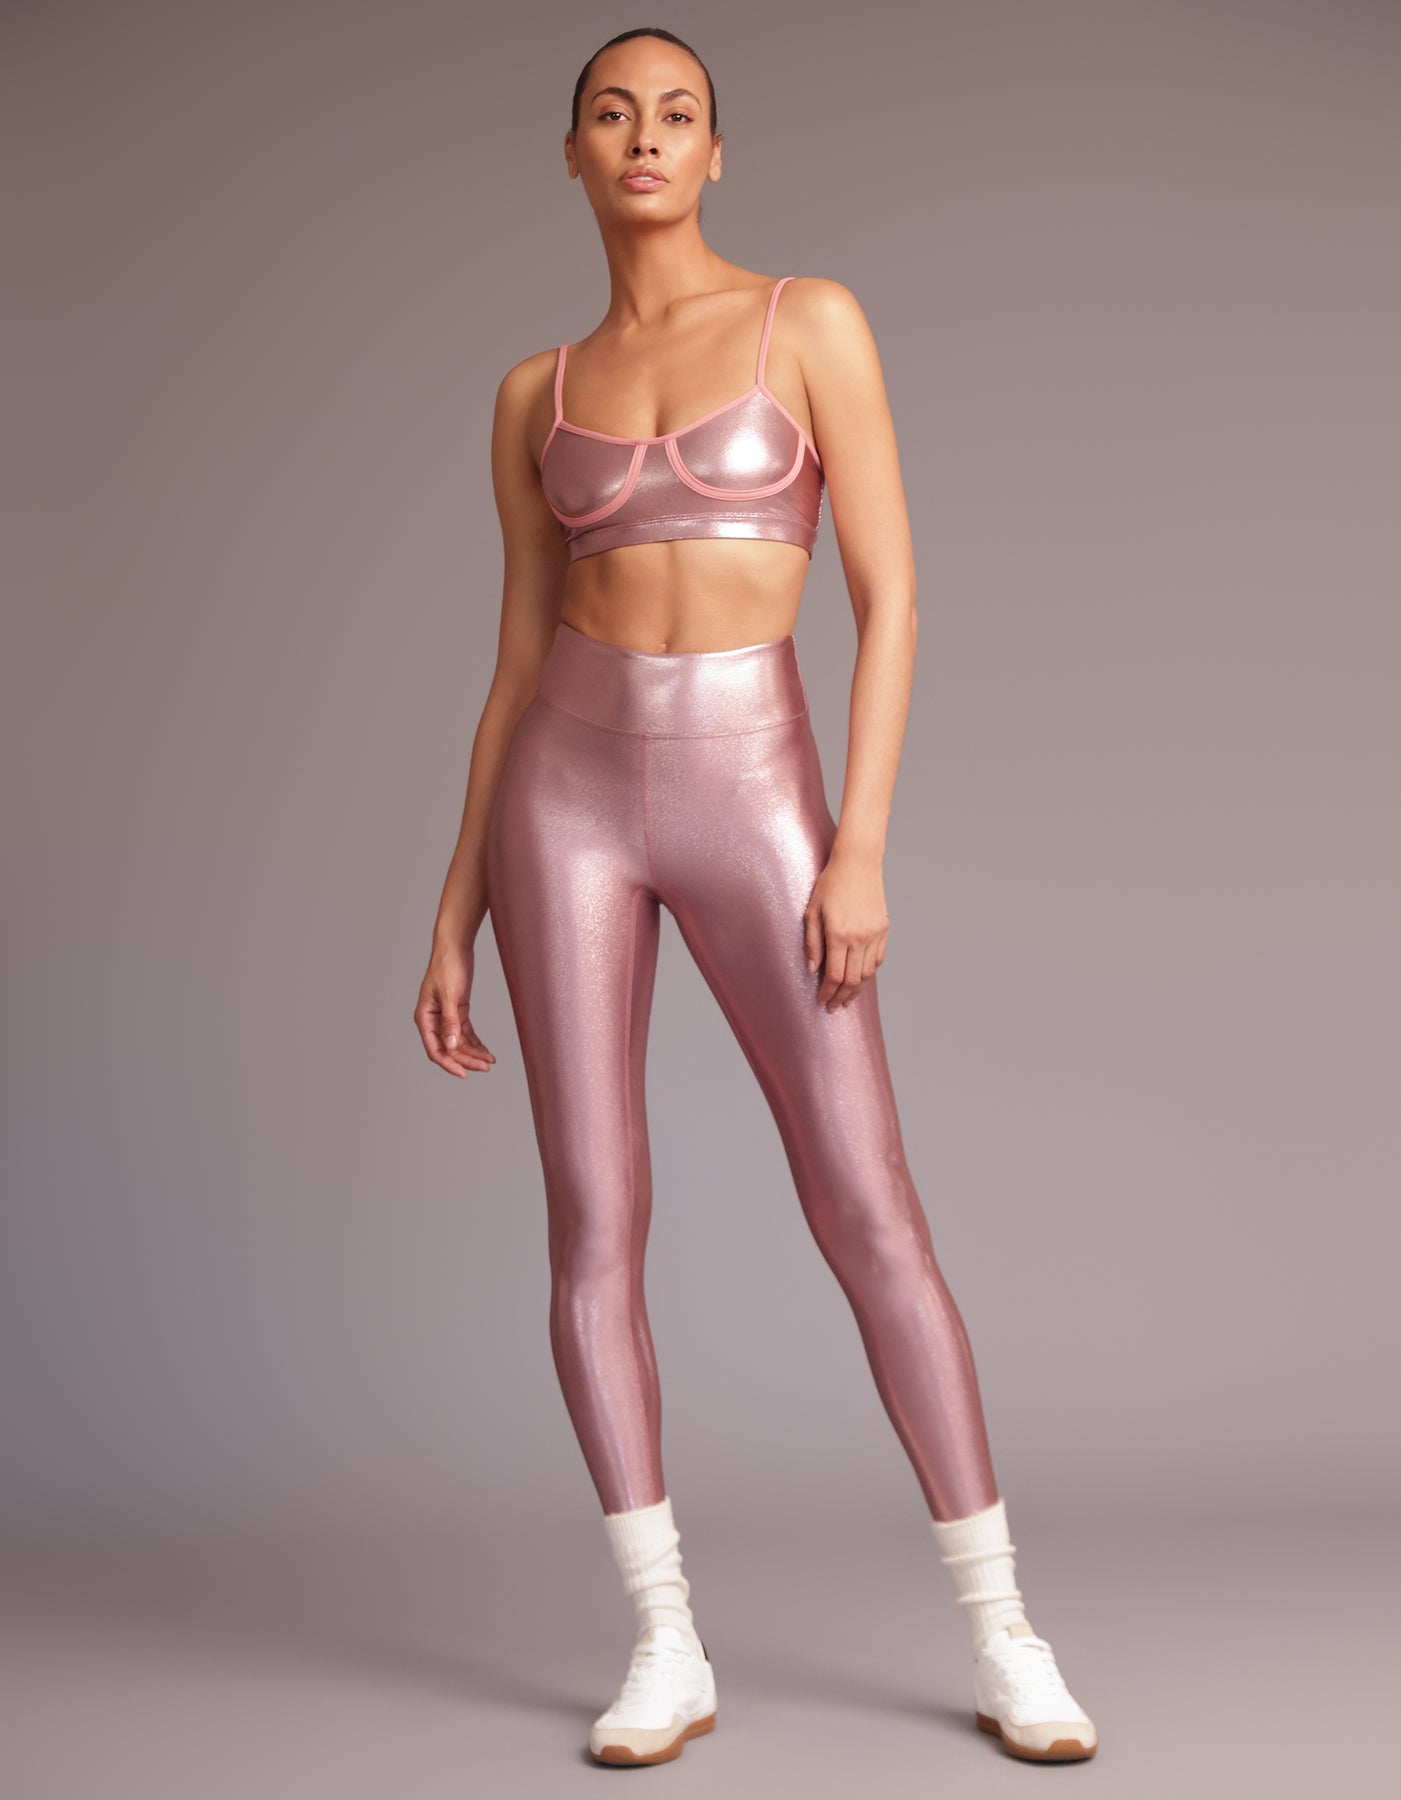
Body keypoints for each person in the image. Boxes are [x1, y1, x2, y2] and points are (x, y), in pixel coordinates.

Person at [414, 26, 1098, 1770]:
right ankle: (662, 1641)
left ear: (715, 152)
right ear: (572, 153)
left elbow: (893, 595)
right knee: (591, 1217)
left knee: (867, 1205)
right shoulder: (532, 392)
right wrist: (453, 903)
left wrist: (856, 842)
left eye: (677, 114)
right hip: (564, 798)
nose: (644, 137)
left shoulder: (809, 322)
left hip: (755, 786)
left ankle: (1004, 1631)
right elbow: (513, 662)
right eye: (612, 114)